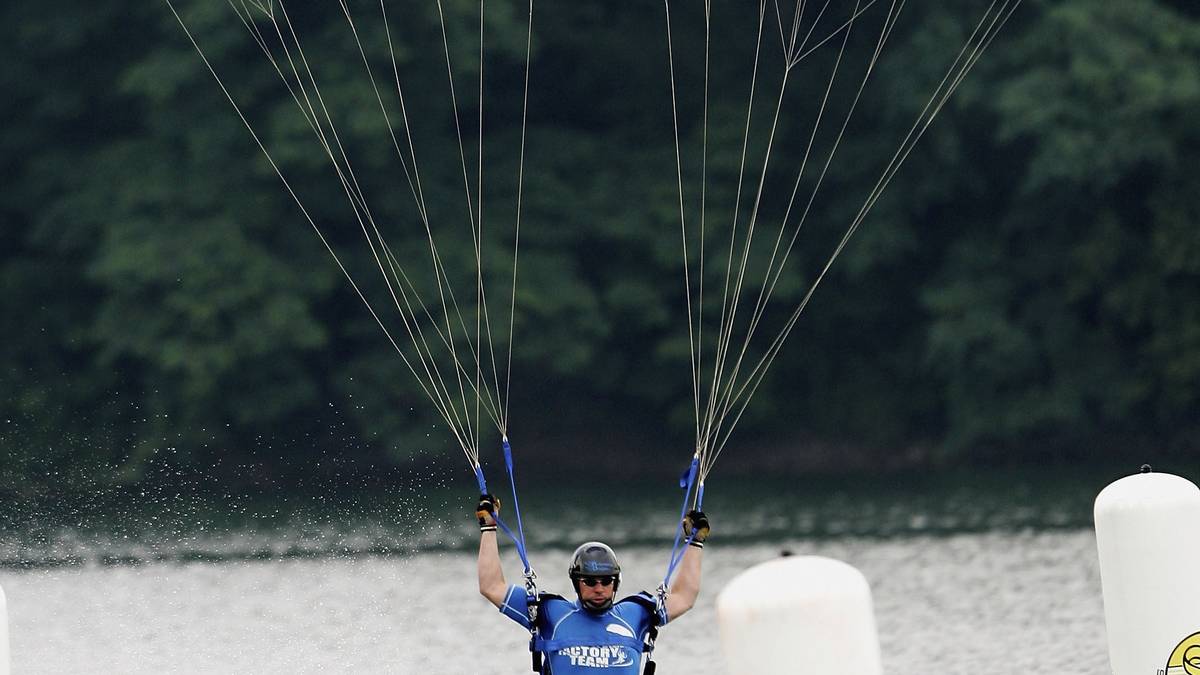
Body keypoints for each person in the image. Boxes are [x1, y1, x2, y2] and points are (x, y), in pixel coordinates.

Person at [476, 493, 709, 673]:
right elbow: (492, 586)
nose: (599, 588)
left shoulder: (637, 613)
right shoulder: (549, 613)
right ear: (576, 583)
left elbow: (684, 597)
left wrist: (695, 543)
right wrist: (489, 528)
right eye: (589, 581)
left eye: (606, 581)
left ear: (615, 583)